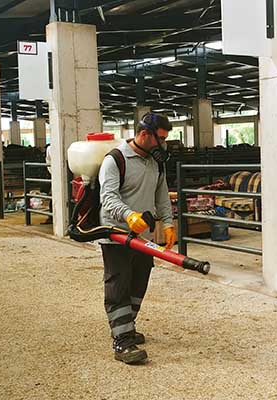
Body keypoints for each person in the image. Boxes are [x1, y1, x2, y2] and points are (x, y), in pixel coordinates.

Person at [98, 112, 176, 364]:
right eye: (161, 139)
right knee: (119, 284)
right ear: (144, 134)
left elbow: (161, 193)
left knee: (139, 281)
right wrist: (129, 215)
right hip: (117, 234)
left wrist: (168, 222)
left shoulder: (156, 162)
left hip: (143, 236)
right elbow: (107, 198)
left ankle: (127, 326)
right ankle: (122, 342)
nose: (163, 145)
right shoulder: (115, 160)